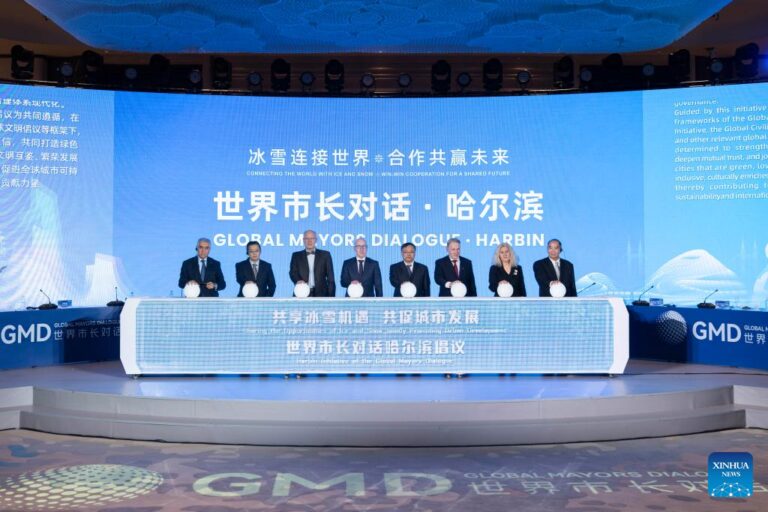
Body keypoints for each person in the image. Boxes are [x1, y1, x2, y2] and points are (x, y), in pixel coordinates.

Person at [289, 229, 335, 297]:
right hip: (301, 293)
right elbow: (293, 272)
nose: (309, 241)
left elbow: (330, 278)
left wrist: (331, 297)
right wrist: (298, 280)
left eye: (312, 238)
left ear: (316, 240)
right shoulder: (296, 255)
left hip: (322, 294)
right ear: (303, 240)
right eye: (307, 238)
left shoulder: (325, 255)